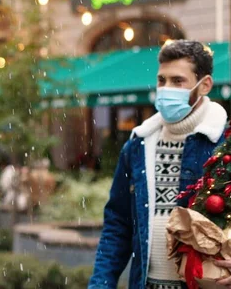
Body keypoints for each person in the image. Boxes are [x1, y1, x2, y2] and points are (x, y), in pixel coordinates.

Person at [89, 40, 228, 288]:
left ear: (204, 85)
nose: (165, 89)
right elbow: (118, 224)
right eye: (161, 80)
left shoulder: (223, 146)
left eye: (177, 81)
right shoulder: (137, 146)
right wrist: (101, 283)